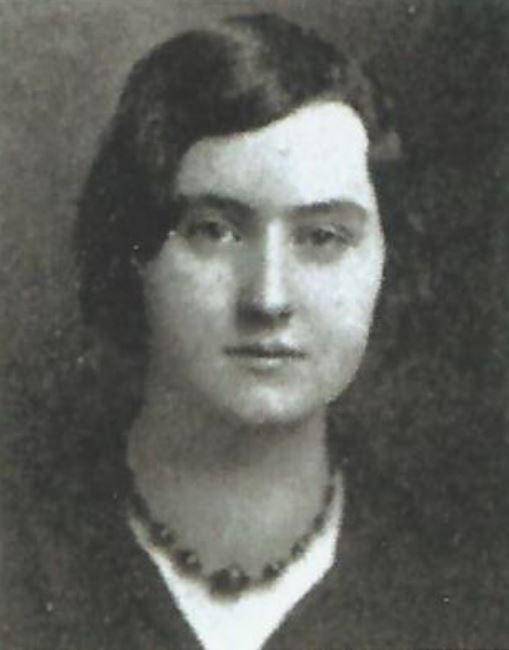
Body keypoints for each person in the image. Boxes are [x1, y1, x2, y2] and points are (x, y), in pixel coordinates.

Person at [1, 12, 475, 650]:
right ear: (133, 251)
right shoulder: (20, 552)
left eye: (323, 237)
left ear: (387, 262)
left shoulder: (467, 581)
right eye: (215, 231)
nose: (268, 299)